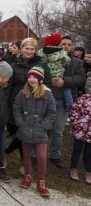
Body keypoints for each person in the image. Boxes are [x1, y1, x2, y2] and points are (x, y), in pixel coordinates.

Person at [5, 38, 51, 173]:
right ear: (22, 48)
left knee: (25, 135)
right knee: (17, 132)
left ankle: (25, 163)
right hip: (16, 102)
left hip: (34, 103)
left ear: (35, 50)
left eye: (32, 49)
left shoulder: (42, 64)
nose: (29, 51)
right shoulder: (14, 64)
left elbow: (47, 83)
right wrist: (7, 102)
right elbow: (10, 85)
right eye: (27, 48)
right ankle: (7, 156)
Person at [13, 66, 57, 197]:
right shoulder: (23, 93)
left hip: (40, 130)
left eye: (35, 77)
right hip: (25, 129)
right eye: (30, 77)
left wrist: (44, 125)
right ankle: (28, 176)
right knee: (26, 155)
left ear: (40, 79)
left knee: (41, 157)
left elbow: (52, 113)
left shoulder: (47, 94)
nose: (32, 79)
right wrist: (20, 123)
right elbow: (16, 109)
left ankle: (41, 181)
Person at [49, 35, 85, 168]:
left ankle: (54, 155)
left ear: (72, 46)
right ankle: (36, 155)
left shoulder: (77, 62)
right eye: (63, 44)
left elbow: (81, 79)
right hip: (49, 97)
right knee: (44, 128)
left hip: (65, 101)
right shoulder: (51, 58)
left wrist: (65, 81)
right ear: (59, 45)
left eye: (69, 45)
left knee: (58, 130)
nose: (66, 47)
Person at [38, 33, 72, 109]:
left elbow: (39, 60)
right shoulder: (62, 52)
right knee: (66, 89)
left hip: (46, 76)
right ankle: (69, 104)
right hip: (58, 75)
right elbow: (67, 61)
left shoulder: (41, 51)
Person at [68, 94, 91, 184]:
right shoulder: (84, 98)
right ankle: (73, 168)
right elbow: (74, 110)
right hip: (80, 130)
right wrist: (76, 123)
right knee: (77, 149)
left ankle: (88, 171)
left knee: (89, 152)